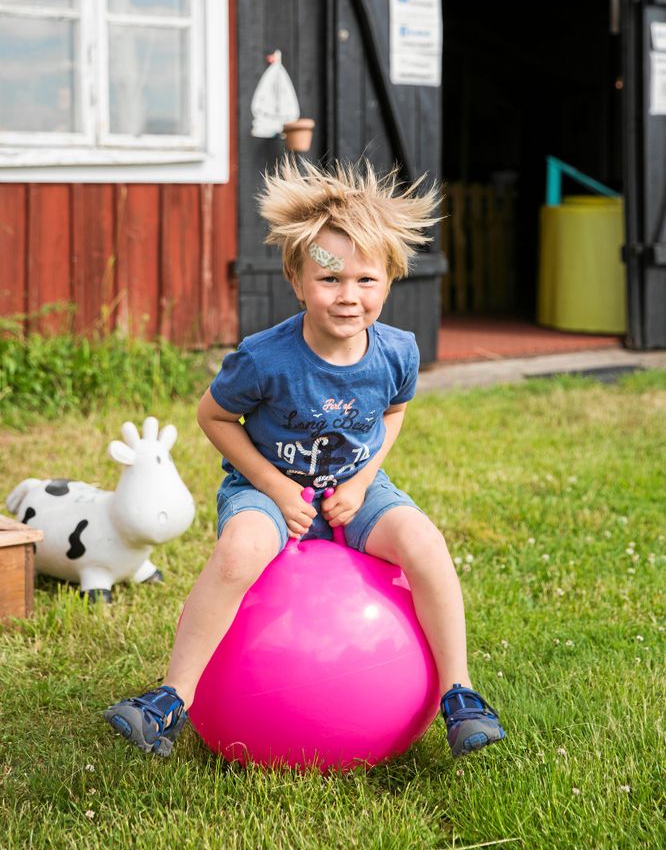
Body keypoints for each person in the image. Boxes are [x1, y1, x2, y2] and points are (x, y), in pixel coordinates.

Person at [104, 158, 506, 759]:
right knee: (238, 552)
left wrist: (366, 476)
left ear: (390, 280)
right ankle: (170, 699)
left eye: (366, 281)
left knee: (425, 543)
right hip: (267, 491)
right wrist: (273, 486)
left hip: (356, 489)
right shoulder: (264, 357)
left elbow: (393, 413)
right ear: (298, 280)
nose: (349, 297)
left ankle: (459, 693)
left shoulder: (397, 352)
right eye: (330, 280)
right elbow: (212, 416)